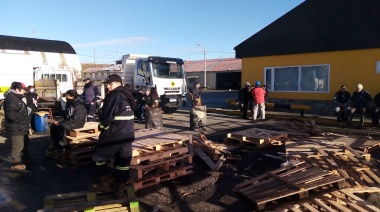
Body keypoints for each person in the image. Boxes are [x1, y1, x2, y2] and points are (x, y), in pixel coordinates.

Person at [91, 74, 137, 198]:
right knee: (123, 163)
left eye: (109, 84)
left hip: (114, 135)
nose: (108, 87)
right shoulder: (128, 94)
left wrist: (102, 128)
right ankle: (119, 190)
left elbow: (106, 118)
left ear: (117, 83)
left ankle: (104, 183)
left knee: (98, 157)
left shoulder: (114, 96)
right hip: (128, 135)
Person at [3, 82, 33, 170]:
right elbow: (12, 116)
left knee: (26, 143)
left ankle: (26, 157)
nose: (24, 92)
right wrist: (23, 118)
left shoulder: (17, 98)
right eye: (23, 90)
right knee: (18, 146)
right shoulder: (11, 100)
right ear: (17, 90)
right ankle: (15, 163)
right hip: (16, 127)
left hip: (22, 126)